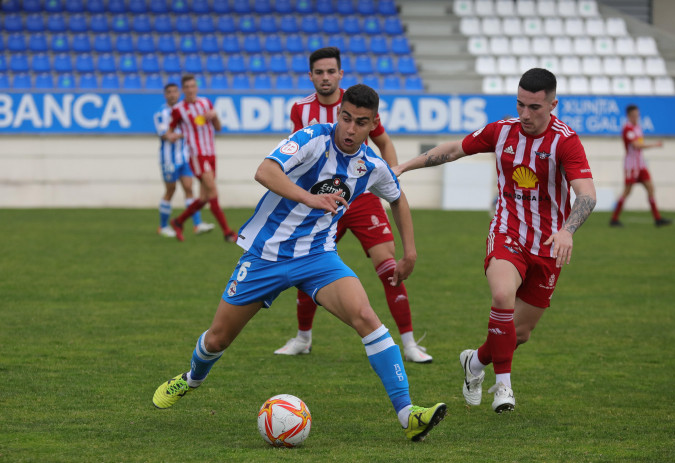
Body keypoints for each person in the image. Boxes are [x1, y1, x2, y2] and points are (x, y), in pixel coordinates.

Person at [152, 84, 447, 442]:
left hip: (317, 257)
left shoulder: (371, 165)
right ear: (339, 114)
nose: (351, 129)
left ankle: (408, 414)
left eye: (361, 123)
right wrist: (310, 198)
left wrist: (410, 252)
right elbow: (264, 171)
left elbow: (398, 199)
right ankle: (192, 379)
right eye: (346, 118)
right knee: (217, 339)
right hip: (266, 255)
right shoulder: (311, 138)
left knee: (367, 318)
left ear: (374, 125)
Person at [393, 68, 597, 413]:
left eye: (534, 107)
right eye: (520, 105)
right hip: (507, 232)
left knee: (519, 334)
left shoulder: (565, 141)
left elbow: (587, 195)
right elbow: (455, 149)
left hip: (547, 245)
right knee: (502, 295)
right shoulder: (502, 131)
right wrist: (403, 167)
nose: (525, 114)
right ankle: (503, 387)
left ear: (553, 105)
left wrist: (567, 230)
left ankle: (475, 363)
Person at [275, 47, 433, 364]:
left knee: (388, 266)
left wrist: (391, 179)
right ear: (311, 76)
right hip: (321, 203)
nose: (325, 77)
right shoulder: (301, 110)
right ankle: (303, 338)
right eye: (319, 72)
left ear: (340, 74)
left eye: (330, 71)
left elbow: (384, 142)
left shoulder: (359, 103)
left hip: (360, 198)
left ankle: (409, 343)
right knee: (308, 268)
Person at [167, 74, 237, 242]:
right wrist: (173, 136)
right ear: (183, 90)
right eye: (187, 87)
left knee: (205, 198)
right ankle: (227, 232)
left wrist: (215, 116)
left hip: (211, 153)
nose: (190, 90)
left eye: (193, 86)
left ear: (196, 87)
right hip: (197, 155)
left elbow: (218, 128)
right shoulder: (179, 109)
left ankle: (178, 221)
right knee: (213, 191)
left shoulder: (205, 103)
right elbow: (170, 130)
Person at [154, 83, 214, 238]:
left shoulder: (183, 110)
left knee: (189, 188)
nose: (173, 94)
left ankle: (197, 224)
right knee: (171, 190)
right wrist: (185, 133)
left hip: (185, 157)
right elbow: (166, 135)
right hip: (169, 159)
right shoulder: (161, 113)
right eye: (169, 92)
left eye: (175, 91)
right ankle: (163, 226)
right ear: (165, 95)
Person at [609, 104, 672, 227]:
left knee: (650, 188)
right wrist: (655, 145)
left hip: (641, 164)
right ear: (628, 116)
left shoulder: (638, 127)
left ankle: (657, 219)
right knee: (627, 191)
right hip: (631, 166)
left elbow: (639, 144)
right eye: (633, 115)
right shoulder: (627, 129)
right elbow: (636, 145)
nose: (636, 117)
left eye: (637, 115)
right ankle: (614, 219)